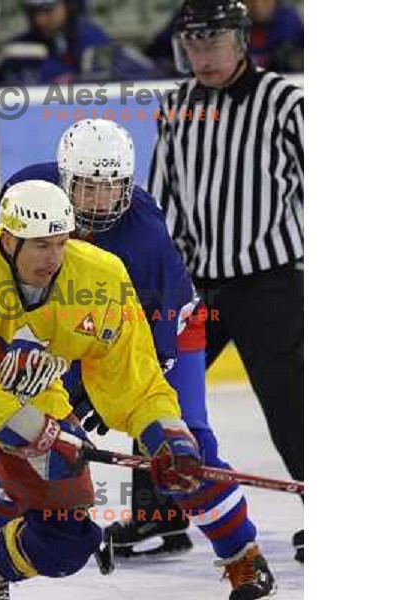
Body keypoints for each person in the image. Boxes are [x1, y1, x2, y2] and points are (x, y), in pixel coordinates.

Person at [0, 119, 276, 599]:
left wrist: (128, 399)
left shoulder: (145, 237)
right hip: (61, 335)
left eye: (112, 188)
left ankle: (243, 556)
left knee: (186, 449)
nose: (100, 203)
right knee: (12, 437)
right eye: (88, 189)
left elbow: (155, 338)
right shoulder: (26, 194)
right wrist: (16, 345)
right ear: (63, 179)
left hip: (157, 333)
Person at [0, 179, 205, 599]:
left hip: (34, 392)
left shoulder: (101, 278)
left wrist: (167, 436)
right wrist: (44, 434)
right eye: (41, 245)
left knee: (69, 539)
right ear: (8, 241)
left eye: (62, 243)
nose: (54, 258)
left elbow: (135, 379)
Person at [147, 0, 304, 563]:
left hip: (270, 286)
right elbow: (161, 200)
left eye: (212, 42)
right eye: (192, 43)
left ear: (240, 42)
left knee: (294, 407)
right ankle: (157, 517)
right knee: (155, 395)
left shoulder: (285, 101)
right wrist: (159, 282)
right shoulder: (175, 106)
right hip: (197, 290)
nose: (202, 55)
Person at [245, 0, 303, 72]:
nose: (258, 5)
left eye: (265, 1)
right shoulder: (234, 25)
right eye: (251, 1)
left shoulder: (291, 24)